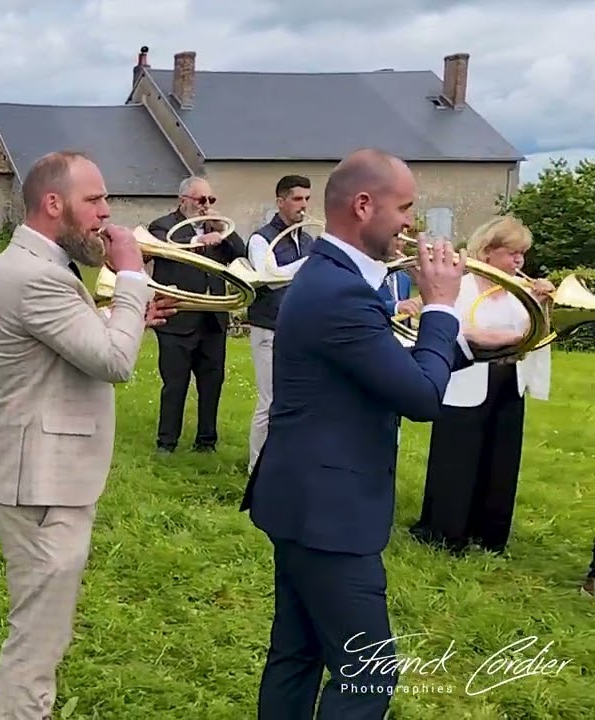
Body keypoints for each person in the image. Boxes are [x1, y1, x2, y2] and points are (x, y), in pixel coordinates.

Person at [240, 148, 474, 719]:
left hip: (303, 501)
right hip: (329, 514)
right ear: (364, 206)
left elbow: (378, 365)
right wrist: (443, 308)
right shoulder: (340, 291)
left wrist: (473, 342)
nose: (411, 224)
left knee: (297, 654)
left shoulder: (334, 278)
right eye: (405, 208)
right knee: (369, 673)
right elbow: (421, 397)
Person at [0, 151, 177, 719]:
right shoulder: (37, 274)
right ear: (53, 203)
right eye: (94, 200)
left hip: (48, 477)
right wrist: (132, 273)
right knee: (38, 637)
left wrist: (124, 319)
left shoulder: (42, 263)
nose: (106, 212)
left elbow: (79, 343)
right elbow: (114, 362)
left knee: (47, 628)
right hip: (41, 483)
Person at [410, 216, 552, 555]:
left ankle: (490, 535)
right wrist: (510, 338)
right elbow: (457, 331)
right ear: (487, 252)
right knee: (457, 459)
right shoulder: (461, 287)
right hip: (465, 381)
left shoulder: (519, 293)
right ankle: (446, 532)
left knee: (501, 460)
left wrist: (542, 304)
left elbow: (537, 336)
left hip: (508, 385)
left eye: (522, 254)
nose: (519, 261)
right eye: (512, 253)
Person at [146, 176, 246, 453]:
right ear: (183, 200)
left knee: (212, 383)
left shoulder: (216, 229)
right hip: (177, 318)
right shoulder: (163, 226)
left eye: (211, 200)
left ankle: (206, 442)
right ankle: (167, 443)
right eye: (201, 199)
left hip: (212, 319)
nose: (206, 205)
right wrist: (198, 239)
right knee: (175, 385)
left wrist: (223, 229)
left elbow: (240, 254)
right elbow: (166, 244)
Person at [244, 175, 315, 473]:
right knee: (270, 400)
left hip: (300, 330)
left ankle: (285, 463)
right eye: (297, 199)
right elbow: (270, 279)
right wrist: (309, 263)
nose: (304, 205)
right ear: (280, 202)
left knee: (297, 399)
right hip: (269, 328)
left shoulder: (307, 240)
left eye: (307, 199)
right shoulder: (261, 239)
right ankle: (256, 467)